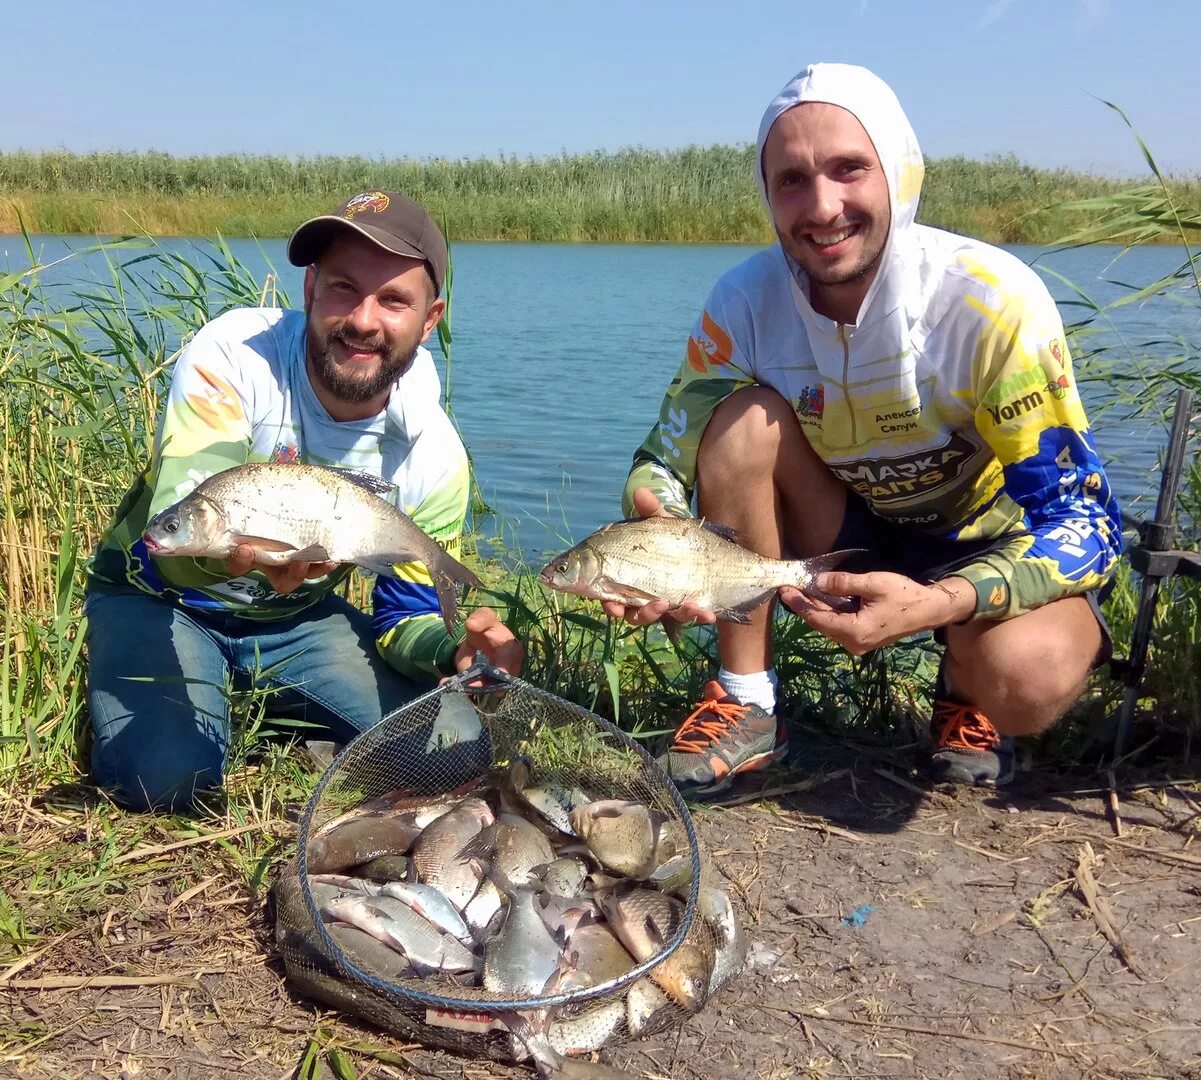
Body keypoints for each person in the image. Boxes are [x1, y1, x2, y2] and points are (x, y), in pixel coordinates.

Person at [612, 64, 1122, 794]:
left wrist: (942, 603)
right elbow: (662, 457)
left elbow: (1088, 525)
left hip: (987, 547)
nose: (822, 207)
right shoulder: (743, 302)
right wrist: (656, 540)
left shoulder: (989, 302)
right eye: (790, 180)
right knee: (739, 419)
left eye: (848, 169)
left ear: (899, 173)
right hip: (850, 532)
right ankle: (745, 700)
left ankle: (966, 688)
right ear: (765, 195)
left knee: (1026, 680)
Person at [86, 190, 522, 811]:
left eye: (394, 299)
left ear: (431, 320)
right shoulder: (231, 360)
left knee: (454, 758)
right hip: (161, 598)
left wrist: (452, 650)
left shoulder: (435, 457)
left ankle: (280, 698)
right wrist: (240, 558)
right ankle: (207, 703)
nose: (364, 320)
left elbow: (404, 617)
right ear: (311, 289)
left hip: (296, 621)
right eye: (344, 288)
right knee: (168, 780)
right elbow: (178, 540)